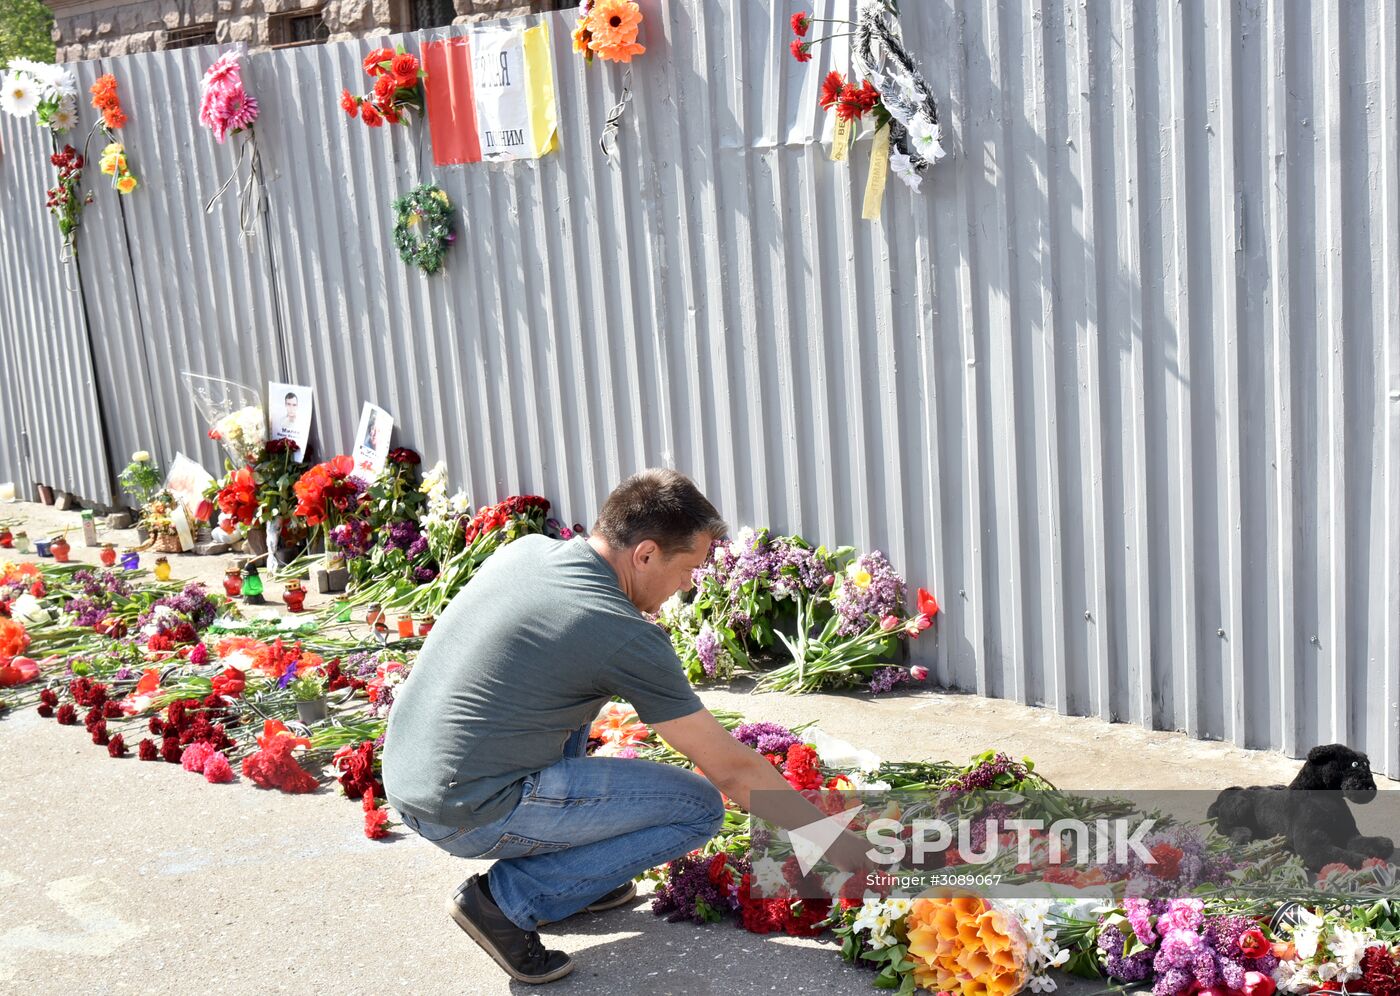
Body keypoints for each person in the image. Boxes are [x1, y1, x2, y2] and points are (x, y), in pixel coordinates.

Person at [382, 469, 870, 984]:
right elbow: (731, 771)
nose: (688, 586)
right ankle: (504, 902)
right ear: (645, 554)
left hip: (411, 773)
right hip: (465, 809)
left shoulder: (529, 552)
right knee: (697, 808)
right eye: (688, 570)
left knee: (570, 697)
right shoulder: (619, 632)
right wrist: (831, 840)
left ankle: (580, 877)